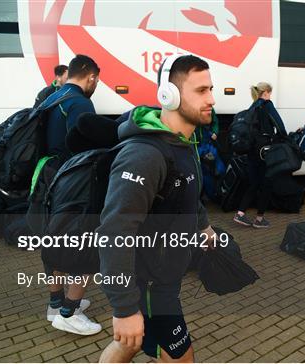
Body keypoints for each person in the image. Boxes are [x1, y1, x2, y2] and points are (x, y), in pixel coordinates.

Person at [97, 54, 218, 363]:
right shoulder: (145, 155)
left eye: (211, 89)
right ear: (170, 94)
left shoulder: (183, 144)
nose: (212, 99)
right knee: (180, 356)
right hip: (148, 286)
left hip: (165, 279)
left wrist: (203, 226)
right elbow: (115, 231)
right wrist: (124, 308)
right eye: (201, 91)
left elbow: (188, 194)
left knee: (130, 345)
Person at [38, 54, 102, 335]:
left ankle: (55, 304)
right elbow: (86, 147)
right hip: (73, 184)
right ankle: (69, 312)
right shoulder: (80, 103)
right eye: (96, 81)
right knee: (85, 245)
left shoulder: (52, 97)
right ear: (90, 77)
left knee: (53, 244)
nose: (96, 85)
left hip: (48, 178)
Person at [233, 82, 286, 228]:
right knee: (266, 183)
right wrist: (284, 137)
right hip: (264, 151)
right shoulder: (267, 105)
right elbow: (279, 124)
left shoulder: (253, 106)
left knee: (254, 183)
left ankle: (240, 213)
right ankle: (259, 219)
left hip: (251, 150)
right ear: (267, 92)